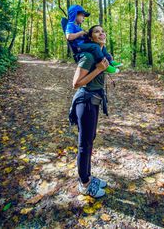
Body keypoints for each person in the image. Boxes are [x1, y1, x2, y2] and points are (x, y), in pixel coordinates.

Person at [69, 25, 112, 198]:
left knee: (89, 140)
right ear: (91, 38)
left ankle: (87, 176)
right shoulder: (88, 56)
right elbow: (76, 83)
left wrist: (105, 66)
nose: (102, 33)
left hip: (93, 100)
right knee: (84, 144)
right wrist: (98, 70)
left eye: (103, 30)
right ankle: (84, 183)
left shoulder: (99, 55)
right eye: (97, 31)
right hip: (85, 100)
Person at [65, 5, 122, 74]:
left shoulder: (77, 26)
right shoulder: (70, 25)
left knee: (100, 45)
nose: (83, 18)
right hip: (78, 47)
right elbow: (69, 37)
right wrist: (81, 32)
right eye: (82, 16)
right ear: (75, 14)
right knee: (95, 47)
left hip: (84, 45)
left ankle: (110, 61)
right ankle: (105, 66)